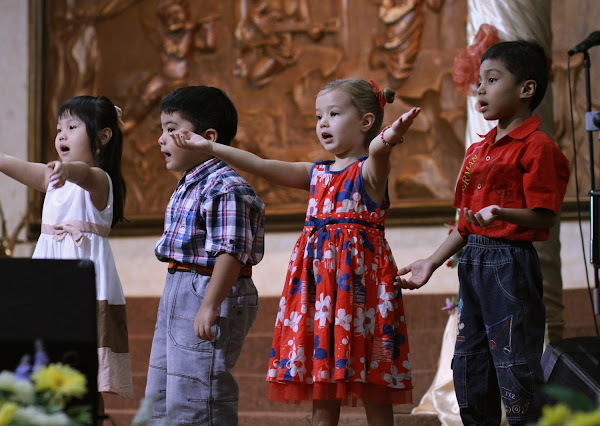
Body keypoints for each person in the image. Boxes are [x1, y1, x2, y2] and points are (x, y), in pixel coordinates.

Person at [172, 79, 420, 426]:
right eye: (319, 116)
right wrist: (210, 147)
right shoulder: (314, 173)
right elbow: (260, 164)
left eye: (334, 114)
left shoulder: (368, 172)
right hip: (319, 294)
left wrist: (390, 136)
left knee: (373, 382)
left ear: (366, 122)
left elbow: (379, 151)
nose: (323, 123)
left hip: (361, 296)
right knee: (322, 381)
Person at [396, 40, 570, 425]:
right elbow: (466, 222)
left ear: (526, 89)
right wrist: (431, 261)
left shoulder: (538, 148)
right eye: (479, 81)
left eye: (492, 80)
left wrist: (502, 213)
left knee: (516, 366)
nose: (480, 89)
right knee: (469, 365)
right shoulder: (477, 151)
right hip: (473, 261)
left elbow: (544, 217)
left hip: (509, 264)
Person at [0, 95, 134, 416]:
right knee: (45, 372)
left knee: (84, 378)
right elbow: (0, 159)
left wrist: (66, 169)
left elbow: (83, 174)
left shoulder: (100, 180)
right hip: (48, 285)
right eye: (59, 129)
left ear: (103, 136)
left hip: (86, 291)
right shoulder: (52, 180)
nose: (61, 135)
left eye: (72, 127)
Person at [145, 85, 265, 425]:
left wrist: (210, 304)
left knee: (198, 396)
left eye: (171, 129)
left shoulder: (225, 186)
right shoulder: (190, 182)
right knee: (163, 394)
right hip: (180, 286)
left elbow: (231, 251)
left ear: (207, 137)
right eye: (162, 129)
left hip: (207, 289)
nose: (161, 139)